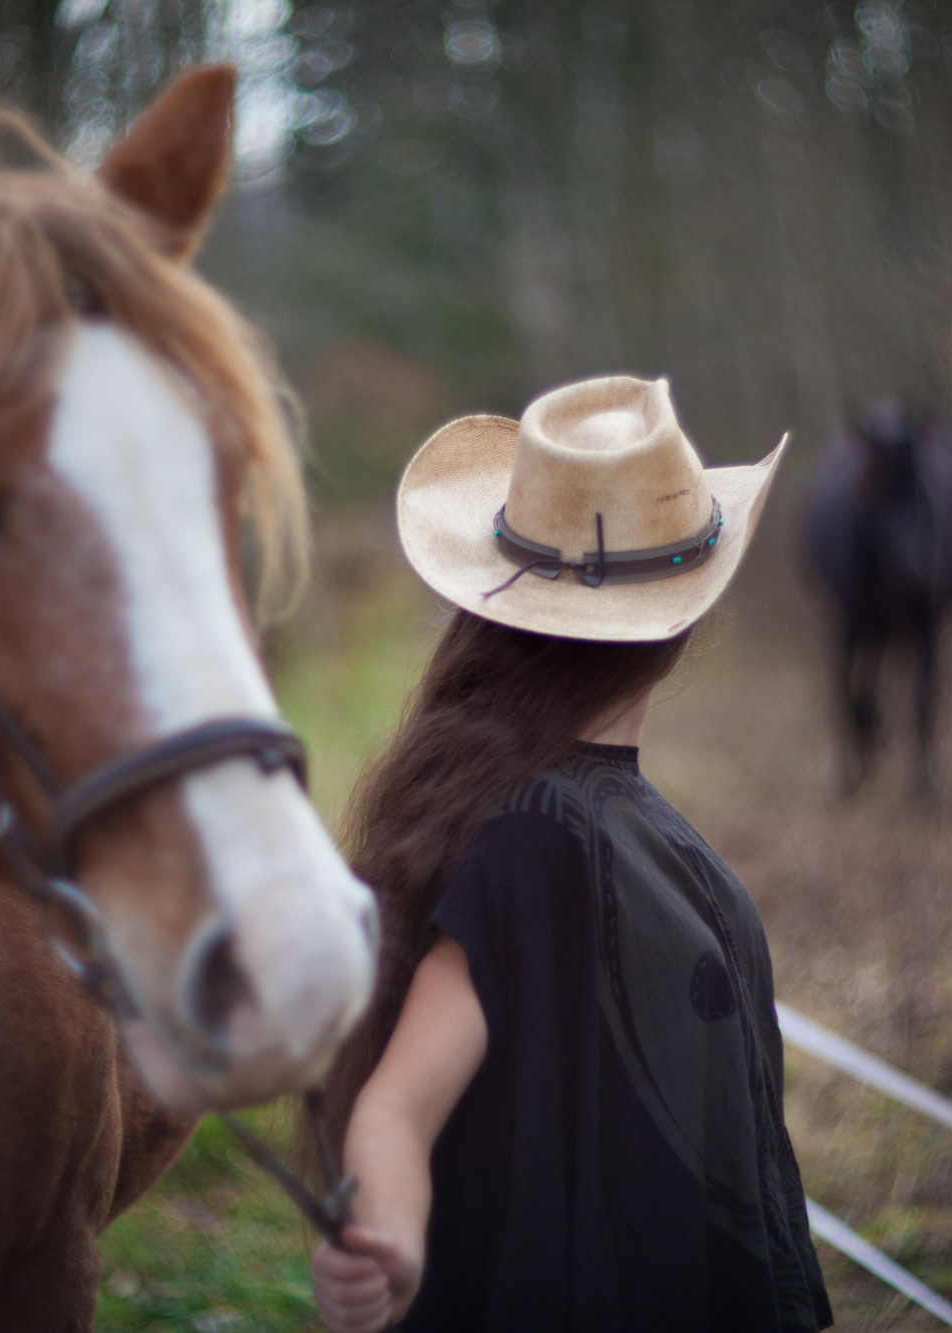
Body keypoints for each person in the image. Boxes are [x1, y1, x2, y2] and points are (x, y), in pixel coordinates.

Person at [308, 376, 834, 1332]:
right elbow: (397, 1109)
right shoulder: (534, 837)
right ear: (679, 627)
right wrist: (389, 1242)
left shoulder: (582, 830)